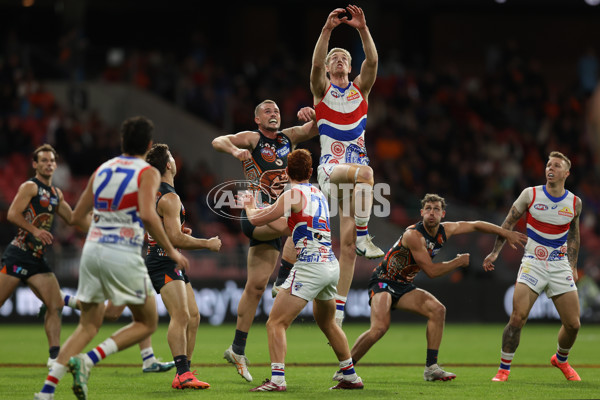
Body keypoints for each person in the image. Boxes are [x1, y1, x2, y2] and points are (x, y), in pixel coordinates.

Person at [34, 116, 190, 400]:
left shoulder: (103, 170)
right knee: (147, 323)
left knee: (89, 325)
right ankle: (89, 359)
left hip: (92, 251)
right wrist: (170, 249)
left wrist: (103, 229)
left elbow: (76, 217)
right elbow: (146, 214)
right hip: (122, 253)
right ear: (148, 144)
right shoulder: (147, 172)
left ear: (122, 142)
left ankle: (45, 392)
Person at [333, 193, 527, 382]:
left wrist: (505, 232)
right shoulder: (413, 235)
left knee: (438, 310)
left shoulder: (446, 229)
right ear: (421, 213)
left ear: (443, 214)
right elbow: (432, 271)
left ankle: (431, 368)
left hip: (403, 285)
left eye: (436, 209)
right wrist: (457, 262)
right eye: (428, 209)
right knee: (379, 328)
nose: (432, 212)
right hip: (383, 282)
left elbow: (476, 224)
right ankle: (345, 369)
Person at [212, 100, 318, 382]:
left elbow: (317, 127)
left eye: (277, 111)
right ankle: (284, 277)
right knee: (298, 227)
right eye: (268, 111)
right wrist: (236, 150)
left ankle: (237, 348)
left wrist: (315, 111)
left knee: (256, 286)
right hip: (257, 212)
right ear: (257, 119)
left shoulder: (289, 137)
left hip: (275, 221)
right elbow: (217, 140)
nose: (274, 114)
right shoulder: (253, 138)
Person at [244, 149, 363, 391]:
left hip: (310, 266)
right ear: (310, 172)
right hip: (331, 264)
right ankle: (350, 375)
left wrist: (250, 205)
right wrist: (263, 211)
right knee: (327, 322)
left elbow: (256, 220)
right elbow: (284, 224)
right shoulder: (317, 193)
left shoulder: (291, 195)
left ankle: (277, 380)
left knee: (275, 323)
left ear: (287, 172)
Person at [310, 4, 384, 327]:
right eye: (333, 59)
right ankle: (368, 234)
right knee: (367, 172)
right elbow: (314, 63)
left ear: (351, 67)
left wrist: (362, 29)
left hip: (354, 180)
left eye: (344, 58)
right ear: (328, 69)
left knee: (349, 247)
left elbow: (374, 61)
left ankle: (338, 310)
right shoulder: (321, 91)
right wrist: (327, 30)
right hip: (331, 169)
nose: (338, 60)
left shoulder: (360, 90)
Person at [484, 151, 583, 382]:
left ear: (566, 173)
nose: (551, 168)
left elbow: (574, 236)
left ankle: (561, 359)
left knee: (574, 324)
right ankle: (503, 368)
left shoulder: (574, 202)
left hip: (559, 265)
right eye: (549, 164)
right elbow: (507, 223)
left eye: (556, 166)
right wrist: (495, 252)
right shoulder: (531, 194)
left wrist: (573, 265)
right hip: (533, 263)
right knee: (517, 317)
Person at [145, 143, 222, 389]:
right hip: (162, 260)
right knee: (181, 316)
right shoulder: (170, 197)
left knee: (194, 316)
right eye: (172, 158)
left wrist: (175, 233)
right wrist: (207, 243)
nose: (175, 161)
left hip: (165, 258)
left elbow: (168, 232)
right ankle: (182, 373)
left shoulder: (159, 193)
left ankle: (186, 370)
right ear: (168, 165)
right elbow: (176, 239)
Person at [0, 144, 74, 369]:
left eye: (52, 160)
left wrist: (98, 219)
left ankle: (54, 358)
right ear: (35, 164)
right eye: (44, 160)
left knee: (55, 305)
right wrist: (35, 231)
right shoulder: (30, 187)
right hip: (18, 254)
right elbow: (12, 214)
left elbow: (72, 218)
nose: (49, 164)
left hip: (37, 259)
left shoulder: (56, 194)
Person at [39, 295, 176, 373]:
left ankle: (148, 359)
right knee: (113, 313)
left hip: (127, 261)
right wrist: (173, 251)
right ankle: (60, 299)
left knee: (139, 314)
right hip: (125, 263)